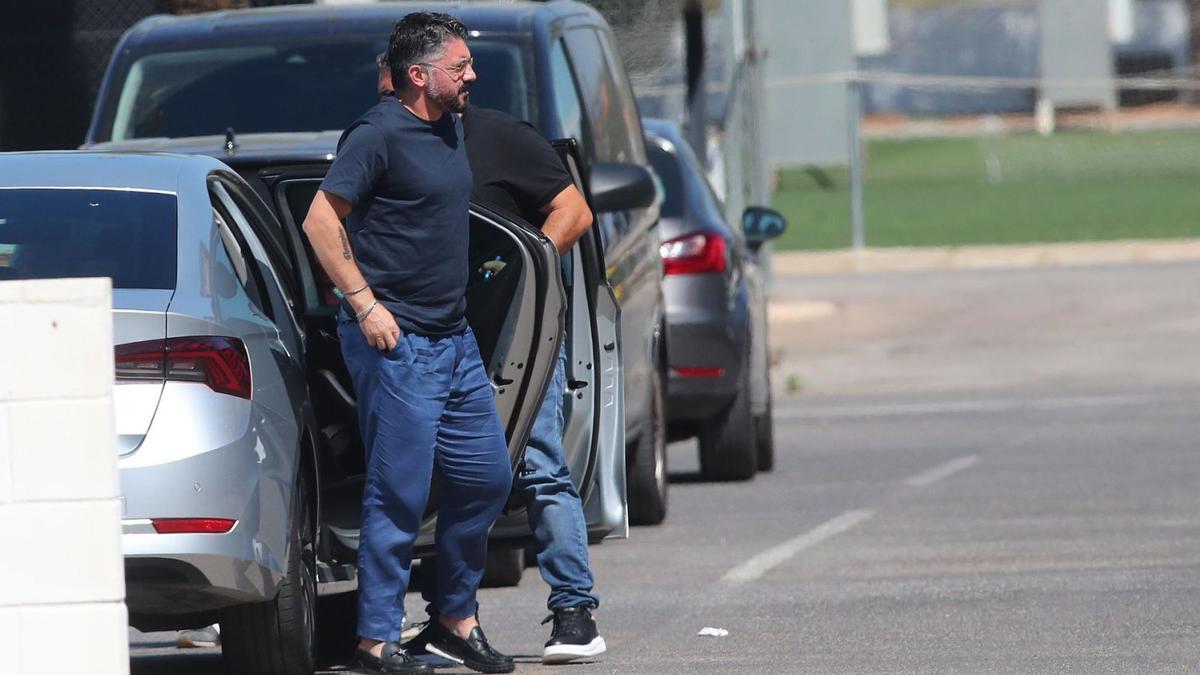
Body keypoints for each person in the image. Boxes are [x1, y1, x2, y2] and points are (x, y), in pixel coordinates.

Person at [301, 13, 514, 675]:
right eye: (460, 67)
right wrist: (364, 304)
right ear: (419, 76)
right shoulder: (377, 133)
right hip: (398, 344)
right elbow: (318, 218)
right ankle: (374, 643)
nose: (471, 75)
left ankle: (452, 619)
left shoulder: (449, 125)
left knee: (486, 478)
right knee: (398, 490)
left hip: (454, 341)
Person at [401, 90, 605, 664]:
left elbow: (574, 212)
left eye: (392, 93)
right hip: (437, 334)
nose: (385, 104)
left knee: (539, 465)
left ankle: (575, 613)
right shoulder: (388, 147)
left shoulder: (501, 137)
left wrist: (520, 271)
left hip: (520, 332)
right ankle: (448, 619)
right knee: (446, 477)